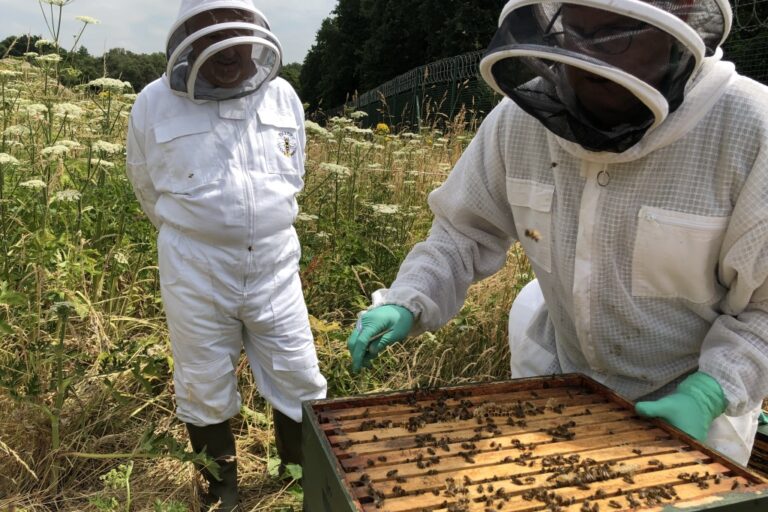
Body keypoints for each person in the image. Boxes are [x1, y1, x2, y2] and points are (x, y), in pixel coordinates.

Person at [347, 0, 768, 467]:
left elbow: (765, 307)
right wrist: (409, 298)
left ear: (681, 24)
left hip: (692, 410)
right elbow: (463, 231)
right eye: (576, 32)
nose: (589, 59)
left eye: (614, 36)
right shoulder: (519, 119)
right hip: (563, 387)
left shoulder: (750, 129)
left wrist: (710, 392)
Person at [126, 0, 327, 509]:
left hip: (276, 264)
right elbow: (145, 184)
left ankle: (297, 476)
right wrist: (201, 233)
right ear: (186, 35)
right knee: (202, 378)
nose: (227, 46)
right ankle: (223, 491)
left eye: (236, 31)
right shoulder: (153, 103)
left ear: (255, 34)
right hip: (194, 266)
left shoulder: (283, 96)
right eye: (210, 29)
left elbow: (295, 175)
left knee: (298, 370)